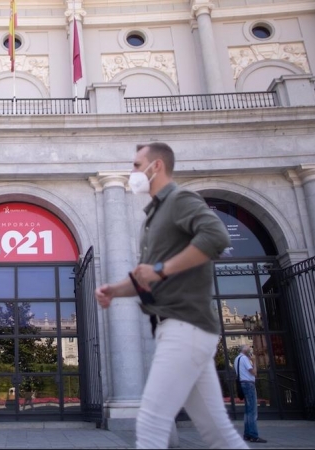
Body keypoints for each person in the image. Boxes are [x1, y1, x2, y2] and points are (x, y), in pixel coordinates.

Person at [95, 142, 247, 449]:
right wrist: (116, 290)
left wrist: (162, 269)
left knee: (151, 423)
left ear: (157, 166)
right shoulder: (154, 216)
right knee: (219, 434)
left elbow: (216, 237)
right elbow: (147, 277)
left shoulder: (180, 199)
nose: (133, 172)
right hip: (180, 329)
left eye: (137, 165)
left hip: (184, 326)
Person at [235, 345, 267, 443]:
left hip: (243, 384)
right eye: (248, 348)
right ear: (244, 350)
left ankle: (247, 434)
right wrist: (254, 361)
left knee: (248, 411)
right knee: (252, 411)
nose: (250, 349)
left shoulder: (237, 358)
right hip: (248, 384)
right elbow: (254, 372)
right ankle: (253, 435)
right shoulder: (244, 358)